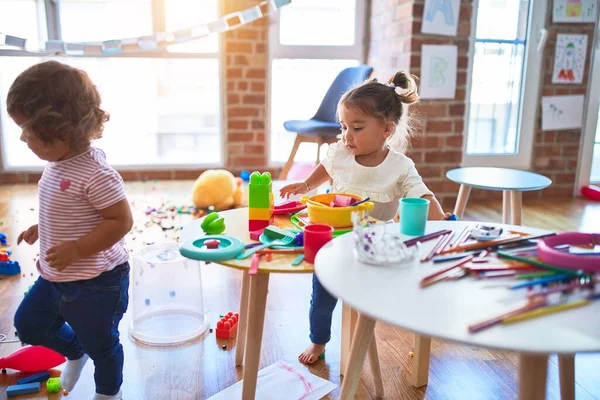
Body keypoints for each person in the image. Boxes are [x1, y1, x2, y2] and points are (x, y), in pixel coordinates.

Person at [280, 70, 449, 364]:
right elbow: (327, 168)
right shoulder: (341, 153)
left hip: (375, 248)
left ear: (386, 129)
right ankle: (318, 342)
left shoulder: (400, 166)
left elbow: (422, 194)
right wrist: (306, 185)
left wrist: (442, 220)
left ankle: (400, 335)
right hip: (333, 243)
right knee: (321, 299)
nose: (347, 136)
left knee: (376, 301)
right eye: (343, 126)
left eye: (356, 128)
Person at [8, 60, 133, 400]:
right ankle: (76, 351)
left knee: (104, 345)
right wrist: (43, 225)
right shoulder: (57, 162)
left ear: (63, 130)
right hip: (55, 278)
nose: (22, 138)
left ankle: (109, 393)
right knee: (29, 324)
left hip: (97, 283)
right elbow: (69, 209)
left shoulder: (96, 173)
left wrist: (77, 249)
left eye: (29, 131)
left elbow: (121, 221)